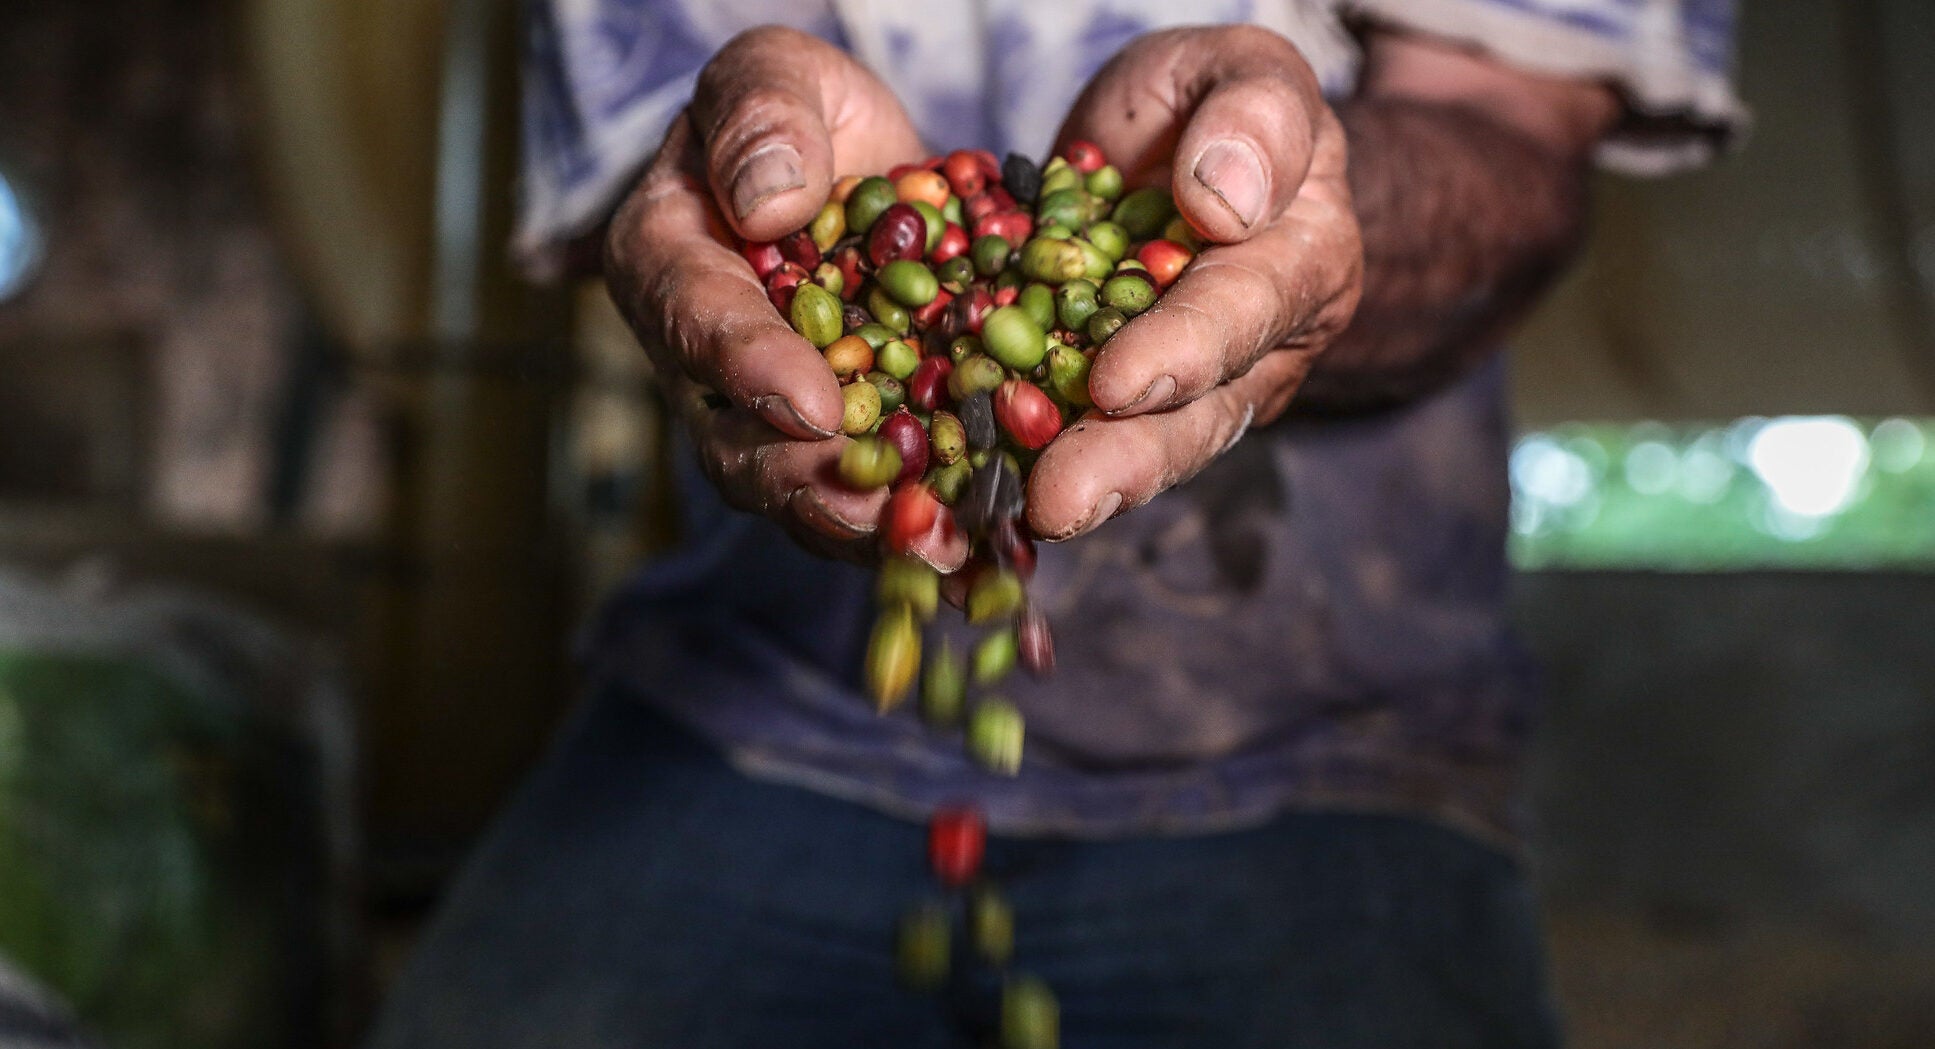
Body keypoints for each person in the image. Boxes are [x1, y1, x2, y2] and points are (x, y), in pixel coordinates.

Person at [373, 2, 1742, 1046]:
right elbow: (673, 182)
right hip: (756, 701)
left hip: (1326, 743)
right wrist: (723, 188)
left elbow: (1505, 138)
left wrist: (1292, 200)